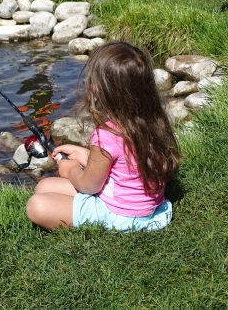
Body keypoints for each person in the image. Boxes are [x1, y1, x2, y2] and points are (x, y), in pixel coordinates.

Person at [26, 41, 181, 232]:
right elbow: (125, 164)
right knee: (44, 187)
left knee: (36, 205)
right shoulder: (152, 120)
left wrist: (71, 168)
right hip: (148, 209)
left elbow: (88, 186)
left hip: (119, 215)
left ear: (98, 88)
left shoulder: (107, 134)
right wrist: (84, 153)